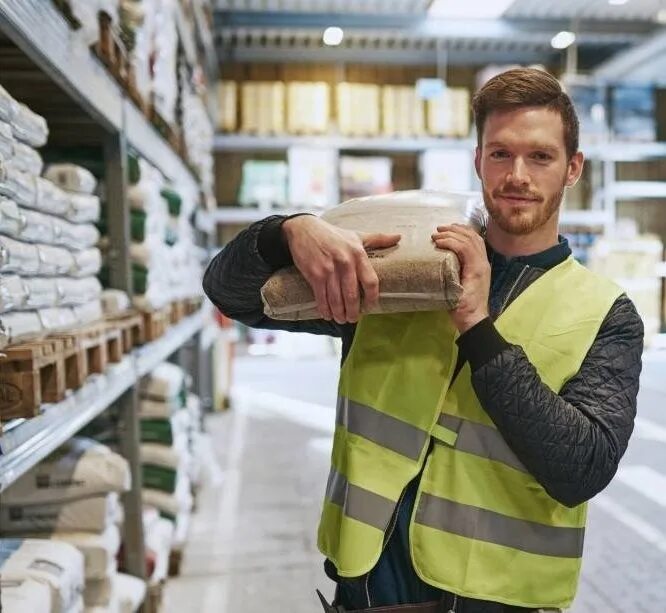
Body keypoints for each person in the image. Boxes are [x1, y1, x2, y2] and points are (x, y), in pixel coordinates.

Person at [202, 68, 644, 613]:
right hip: (368, 592)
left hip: (499, 600)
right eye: (500, 154)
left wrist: (477, 326)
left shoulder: (606, 314)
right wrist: (287, 231)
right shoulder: (407, 270)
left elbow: (582, 469)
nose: (517, 175)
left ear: (573, 167)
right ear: (478, 160)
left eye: (540, 157)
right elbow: (232, 293)